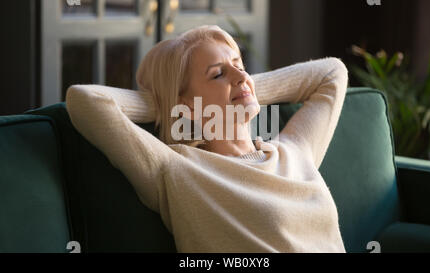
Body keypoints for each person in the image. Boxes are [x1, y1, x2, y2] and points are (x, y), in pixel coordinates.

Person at [66, 25, 348, 253]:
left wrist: (244, 86)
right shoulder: (178, 170)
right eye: (217, 74)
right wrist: (166, 104)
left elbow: (332, 72)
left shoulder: (294, 151)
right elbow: (85, 100)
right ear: (186, 104)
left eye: (240, 64)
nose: (240, 74)